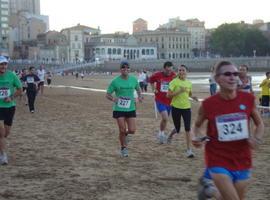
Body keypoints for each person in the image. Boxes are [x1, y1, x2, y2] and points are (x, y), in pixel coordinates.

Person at [192, 60, 264, 200]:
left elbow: (260, 124)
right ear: (217, 79)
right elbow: (197, 125)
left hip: (242, 158)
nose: (233, 77)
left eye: (235, 74)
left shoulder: (248, 99)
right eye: (227, 74)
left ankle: (208, 190)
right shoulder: (208, 104)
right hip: (217, 158)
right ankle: (209, 188)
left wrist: (257, 138)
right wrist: (197, 137)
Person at [106, 61, 143, 157]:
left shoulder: (133, 80)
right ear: (120, 69)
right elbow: (107, 94)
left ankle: (125, 136)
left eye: (127, 67)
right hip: (119, 108)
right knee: (122, 129)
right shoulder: (115, 81)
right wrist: (114, 99)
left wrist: (140, 97)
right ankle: (123, 148)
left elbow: (138, 89)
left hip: (130, 108)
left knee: (132, 130)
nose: (125, 69)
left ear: (129, 69)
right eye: (123, 67)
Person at [167, 64, 198, 158]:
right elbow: (168, 95)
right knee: (177, 129)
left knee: (187, 129)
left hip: (186, 108)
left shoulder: (189, 83)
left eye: (183, 70)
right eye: (179, 70)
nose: (181, 72)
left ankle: (189, 150)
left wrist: (193, 97)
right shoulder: (174, 82)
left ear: (186, 72)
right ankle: (170, 135)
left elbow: (189, 94)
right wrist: (178, 91)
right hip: (176, 107)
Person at [0, 55, 22, 165]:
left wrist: (11, 97)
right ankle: (3, 155)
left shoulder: (12, 75)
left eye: (5, 64)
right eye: (1, 64)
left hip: (10, 107)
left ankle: (1, 148)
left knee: (6, 133)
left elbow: (20, 89)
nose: (3, 66)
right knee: (1, 133)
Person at [149, 61, 176, 144]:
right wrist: (154, 89)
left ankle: (161, 133)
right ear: (164, 69)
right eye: (167, 70)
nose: (169, 72)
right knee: (165, 118)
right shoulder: (157, 75)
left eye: (170, 70)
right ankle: (162, 134)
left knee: (165, 120)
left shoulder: (174, 75)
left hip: (170, 101)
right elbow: (150, 80)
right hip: (159, 100)